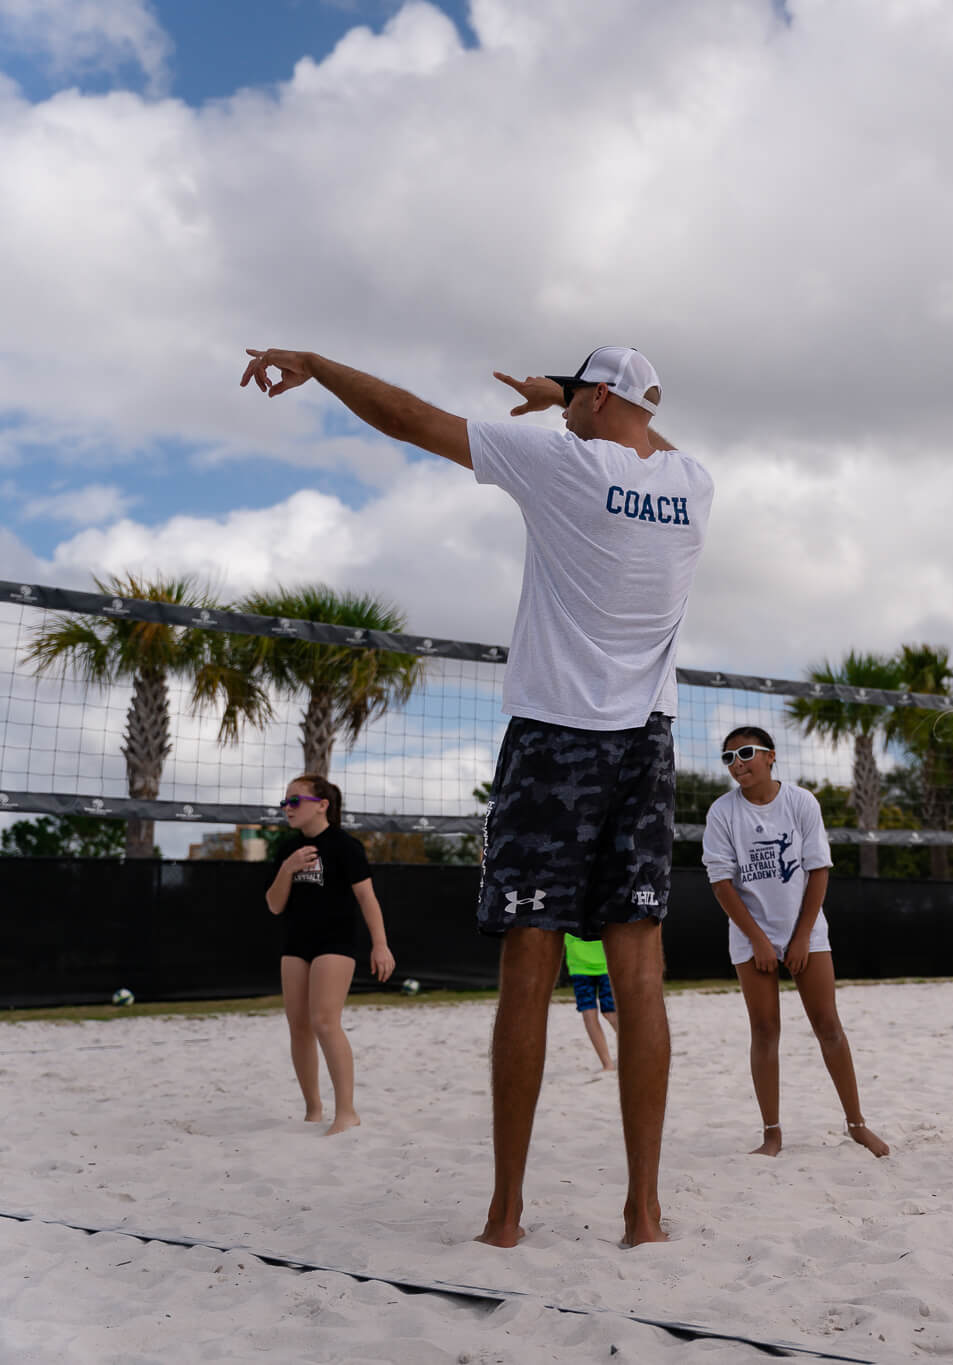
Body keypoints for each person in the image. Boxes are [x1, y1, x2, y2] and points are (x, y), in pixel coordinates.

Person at [241, 344, 711, 1248]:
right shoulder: (694, 482)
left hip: (554, 738)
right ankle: (643, 1215)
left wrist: (319, 365)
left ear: (600, 394)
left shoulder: (562, 459)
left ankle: (506, 1216)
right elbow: (647, 432)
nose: (562, 405)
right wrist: (582, 396)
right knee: (639, 975)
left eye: (577, 390)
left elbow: (412, 419)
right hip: (647, 746)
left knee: (528, 972)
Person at [703, 726, 889, 1159]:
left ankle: (857, 1125)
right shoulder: (722, 812)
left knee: (828, 1026)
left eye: (745, 753)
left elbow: (818, 869)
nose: (737, 763)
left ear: (770, 756)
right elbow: (721, 883)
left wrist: (801, 936)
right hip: (752, 935)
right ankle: (772, 1133)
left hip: (805, 931)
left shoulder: (802, 801)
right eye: (728, 758)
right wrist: (760, 941)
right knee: (765, 1031)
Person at [264, 775, 394, 1136]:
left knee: (324, 1021)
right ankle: (313, 1110)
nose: (286, 807)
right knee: (298, 1026)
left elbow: (367, 899)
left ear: (321, 805)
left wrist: (380, 945)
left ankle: (347, 1112)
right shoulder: (285, 850)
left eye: (295, 801)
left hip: (335, 943)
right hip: (296, 944)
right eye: (285, 801)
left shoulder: (345, 847)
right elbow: (275, 905)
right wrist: (288, 868)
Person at [564, 934, 618, 1072]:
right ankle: (607, 1064)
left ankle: (632, 1051)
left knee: (610, 1013)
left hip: (606, 964)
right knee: (589, 1015)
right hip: (579, 967)